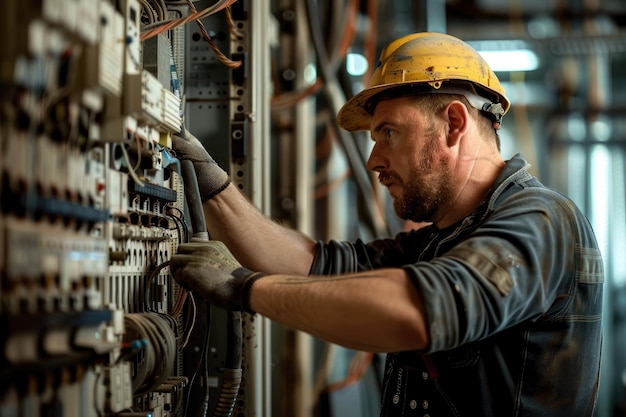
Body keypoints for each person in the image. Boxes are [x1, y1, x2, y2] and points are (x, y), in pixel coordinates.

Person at [170, 32, 604, 416]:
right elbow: (310, 265)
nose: (374, 161)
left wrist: (244, 288)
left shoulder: (545, 221)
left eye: (389, 133)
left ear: (453, 123)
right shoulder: (443, 240)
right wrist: (214, 188)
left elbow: (419, 311)